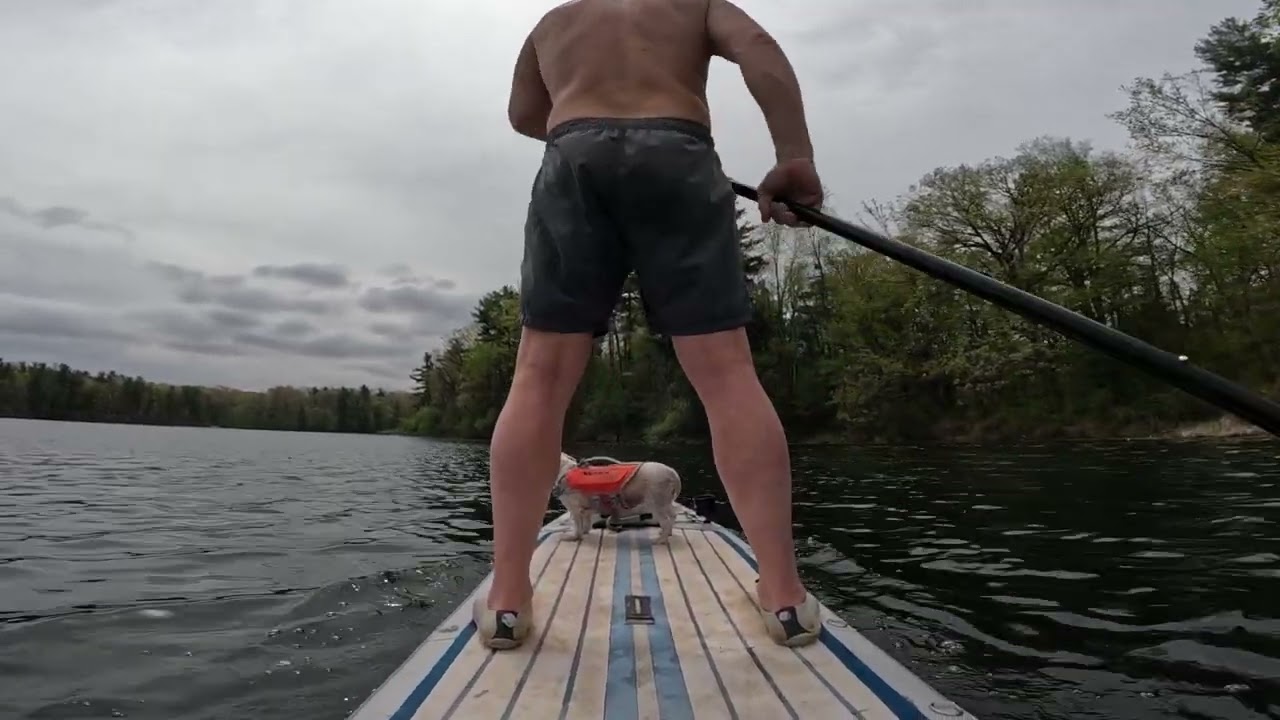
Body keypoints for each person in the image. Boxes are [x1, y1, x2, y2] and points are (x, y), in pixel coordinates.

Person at [476, 0, 825, 650]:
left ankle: (507, 600)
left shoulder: (553, 24)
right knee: (727, 375)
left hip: (573, 152)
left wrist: (589, 131)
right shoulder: (696, 4)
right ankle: (783, 596)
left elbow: (524, 116)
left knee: (539, 376)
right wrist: (794, 155)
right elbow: (759, 49)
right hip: (678, 151)